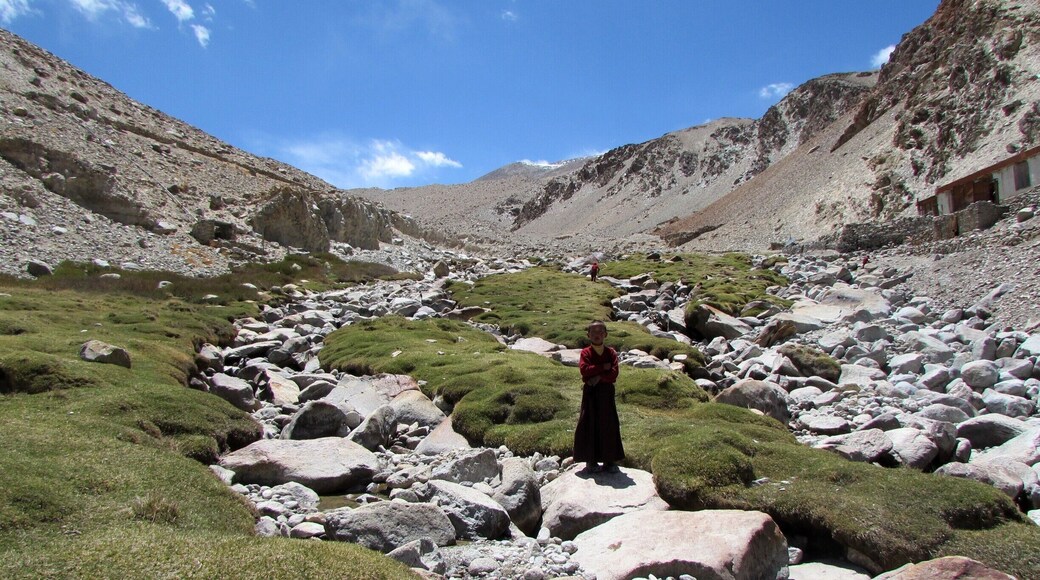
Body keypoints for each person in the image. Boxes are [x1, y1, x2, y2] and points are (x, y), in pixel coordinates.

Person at [573, 320, 624, 473]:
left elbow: (614, 373)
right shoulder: (586, 353)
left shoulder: (611, 353)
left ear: (605, 335)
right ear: (588, 335)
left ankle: (609, 460)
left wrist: (598, 377)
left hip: (606, 393)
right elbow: (585, 370)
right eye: (594, 332)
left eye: (600, 332)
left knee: (608, 424)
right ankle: (591, 460)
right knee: (590, 422)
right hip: (591, 394)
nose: (597, 335)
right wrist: (603, 368)